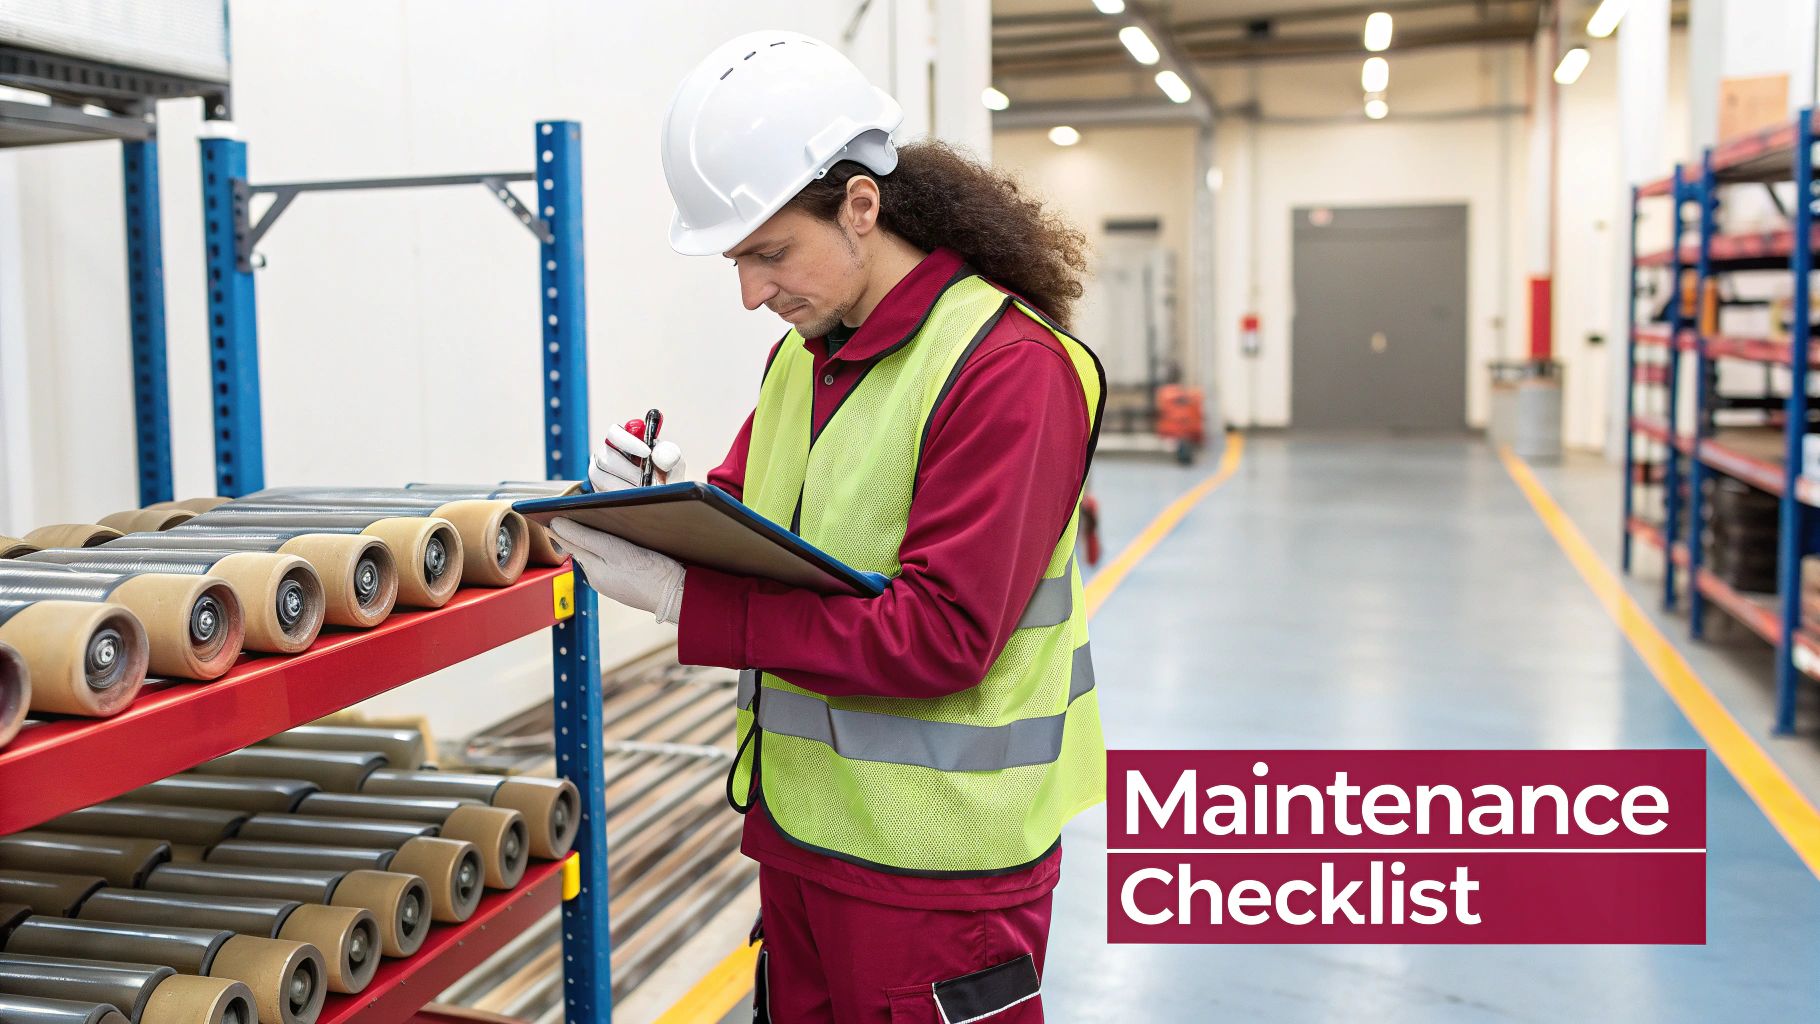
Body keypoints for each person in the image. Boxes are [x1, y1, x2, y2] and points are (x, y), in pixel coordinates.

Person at [549, 29, 1105, 1024]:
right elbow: (751, 522)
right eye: (737, 258)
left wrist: (684, 601)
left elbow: (941, 639)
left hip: (936, 879)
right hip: (802, 842)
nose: (751, 293)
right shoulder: (807, 358)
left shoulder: (1006, 369)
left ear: (860, 206)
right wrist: (650, 499)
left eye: (768, 252)